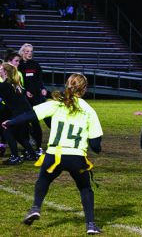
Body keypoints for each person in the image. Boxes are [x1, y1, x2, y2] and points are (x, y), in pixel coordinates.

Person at [2, 73, 103, 234]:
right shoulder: (89, 110)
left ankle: (36, 207)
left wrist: (11, 122)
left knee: (44, 179)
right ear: (84, 89)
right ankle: (90, 224)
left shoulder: (56, 104)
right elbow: (96, 145)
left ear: (67, 84)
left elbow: (31, 115)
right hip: (76, 157)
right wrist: (96, 147)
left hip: (54, 154)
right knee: (85, 188)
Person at [0, 62, 37, 164]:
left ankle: (15, 157)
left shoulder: (4, 86)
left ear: (5, 72)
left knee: (7, 131)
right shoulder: (14, 83)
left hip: (20, 113)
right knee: (18, 135)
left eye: (1, 68)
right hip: (25, 112)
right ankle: (32, 154)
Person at [18, 43, 48, 153]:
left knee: (35, 123)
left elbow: (39, 80)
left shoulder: (35, 64)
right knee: (24, 123)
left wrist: (43, 88)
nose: (29, 53)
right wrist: (25, 92)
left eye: (31, 51)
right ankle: (28, 147)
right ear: (22, 52)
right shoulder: (19, 65)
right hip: (24, 99)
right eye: (27, 51)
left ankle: (39, 147)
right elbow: (18, 82)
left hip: (37, 98)